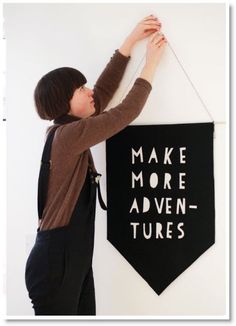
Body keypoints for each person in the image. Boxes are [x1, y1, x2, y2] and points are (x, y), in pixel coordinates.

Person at [25, 14, 167, 315]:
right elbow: (124, 112)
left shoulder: (70, 131)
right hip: (57, 262)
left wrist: (130, 43)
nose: (89, 91)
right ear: (64, 103)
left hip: (69, 259)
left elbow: (101, 96)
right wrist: (151, 62)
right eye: (80, 89)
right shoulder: (68, 136)